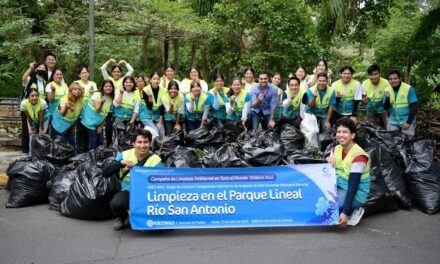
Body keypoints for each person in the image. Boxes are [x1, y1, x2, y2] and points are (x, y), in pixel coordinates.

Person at [102, 129, 162, 230]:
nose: (142, 145)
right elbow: (105, 172)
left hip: (148, 193)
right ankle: (122, 217)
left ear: (150, 143)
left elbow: (161, 183)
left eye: (145, 142)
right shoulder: (125, 155)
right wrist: (121, 163)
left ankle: (139, 216)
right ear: (133, 143)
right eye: (139, 142)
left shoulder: (156, 159)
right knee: (117, 203)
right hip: (128, 191)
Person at [326, 117, 370, 227]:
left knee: (328, 207)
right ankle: (345, 209)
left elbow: (353, 187)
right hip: (339, 187)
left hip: (354, 193)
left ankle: (353, 209)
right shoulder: (335, 149)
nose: (341, 135)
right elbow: (328, 175)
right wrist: (327, 161)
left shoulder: (359, 156)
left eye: (345, 132)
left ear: (353, 135)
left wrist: (344, 213)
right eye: (338, 132)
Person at [21, 62, 48, 153]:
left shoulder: (44, 82)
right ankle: (27, 152)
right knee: (28, 130)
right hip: (28, 107)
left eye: (44, 68)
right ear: (36, 69)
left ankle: (39, 153)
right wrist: (30, 68)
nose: (42, 69)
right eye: (40, 67)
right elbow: (23, 78)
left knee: (41, 131)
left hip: (41, 107)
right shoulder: (30, 79)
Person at [383, 70, 418, 138]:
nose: (393, 80)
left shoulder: (408, 88)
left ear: (400, 79)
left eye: (395, 78)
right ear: (388, 81)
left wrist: (408, 122)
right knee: (391, 140)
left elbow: (414, 106)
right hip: (393, 120)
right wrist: (387, 99)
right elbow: (385, 108)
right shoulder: (387, 90)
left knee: (407, 141)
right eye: (390, 79)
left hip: (407, 119)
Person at [81, 80, 114, 150]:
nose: (108, 88)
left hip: (98, 122)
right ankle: (92, 157)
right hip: (89, 121)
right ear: (102, 87)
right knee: (93, 140)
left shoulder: (111, 98)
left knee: (100, 140)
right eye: (106, 86)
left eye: (110, 86)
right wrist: (101, 103)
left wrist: (101, 126)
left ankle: (98, 156)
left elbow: (106, 113)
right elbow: (98, 109)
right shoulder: (96, 95)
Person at [51, 82, 84, 149]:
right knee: (60, 146)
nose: (77, 91)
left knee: (71, 145)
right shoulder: (64, 100)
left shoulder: (81, 100)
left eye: (79, 89)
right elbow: (62, 113)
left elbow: (77, 115)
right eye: (75, 89)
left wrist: (73, 126)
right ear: (70, 91)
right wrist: (66, 108)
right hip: (59, 125)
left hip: (70, 125)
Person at [134, 71, 166, 138]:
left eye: (158, 79)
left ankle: (159, 148)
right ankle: (151, 147)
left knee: (162, 133)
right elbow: (149, 107)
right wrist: (150, 97)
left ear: (160, 80)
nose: (156, 81)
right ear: (150, 80)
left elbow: (163, 108)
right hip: (146, 116)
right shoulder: (145, 90)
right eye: (154, 79)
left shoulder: (164, 91)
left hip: (157, 116)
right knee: (155, 132)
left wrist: (160, 122)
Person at [76, 67, 98, 153]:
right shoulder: (76, 83)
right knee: (80, 133)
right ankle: (79, 152)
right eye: (83, 73)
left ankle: (88, 152)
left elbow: (96, 96)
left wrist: (93, 93)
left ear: (88, 74)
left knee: (89, 133)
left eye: (86, 72)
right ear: (79, 75)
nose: (85, 74)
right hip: (79, 112)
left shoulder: (93, 84)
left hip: (90, 112)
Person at [20, 89, 48, 153]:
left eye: (36, 95)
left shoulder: (43, 102)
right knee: (32, 135)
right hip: (32, 118)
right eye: (32, 96)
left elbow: (41, 117)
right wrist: (31, 128)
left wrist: (42, 128)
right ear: (28, 97)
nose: (35, 98)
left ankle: (42, 154)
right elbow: (28, 116)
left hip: (44, 118)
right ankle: (31, 154)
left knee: (42, 135)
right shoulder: (24, 103)